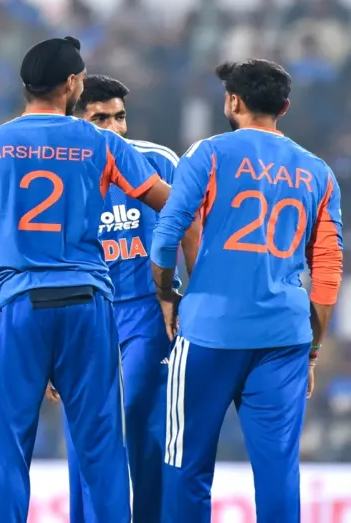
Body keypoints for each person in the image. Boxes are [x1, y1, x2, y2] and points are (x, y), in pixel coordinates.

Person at [0, 37, 173, 523]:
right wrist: (171, 284)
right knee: (103, 452)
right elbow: (170, 206)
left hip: (15, 308)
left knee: (4, 451)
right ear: (73, 83)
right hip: (88, 307)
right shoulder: (102, 142)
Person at [151, 59, 343, 523]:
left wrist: (166, 294)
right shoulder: (317, 171)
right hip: (283, 337)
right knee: (278, 471)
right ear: (285, 106)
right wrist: (313, 347)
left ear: (233, 102)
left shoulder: (210, 153)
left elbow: (167, 235)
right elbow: (328, 267)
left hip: (209, 332)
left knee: (185, 465)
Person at [66, 74, 201, 523]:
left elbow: (190, 226)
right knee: (83, 432)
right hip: (85, 312)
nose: (115, 127)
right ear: (75, 121)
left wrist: (187, 295)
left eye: (120, 116)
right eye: (100, 117)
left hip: (148, 310)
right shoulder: (61, 168)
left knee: (138, 426)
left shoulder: (157, 159)